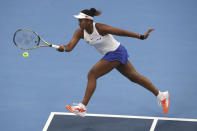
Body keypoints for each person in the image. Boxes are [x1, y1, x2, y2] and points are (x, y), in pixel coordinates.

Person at [57, 8, 170, 117]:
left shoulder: (100, 28)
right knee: (134, 77)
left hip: (116, 52)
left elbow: (120, 32)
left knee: (92, 75)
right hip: (113, 54)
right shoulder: (79, 33)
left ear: (89, 21)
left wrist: (140, 36)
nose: (79, 23)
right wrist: (63, 48)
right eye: (78, 20)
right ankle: (161, 95)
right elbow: (70, 46)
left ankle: (82, 107)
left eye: (81, 20)